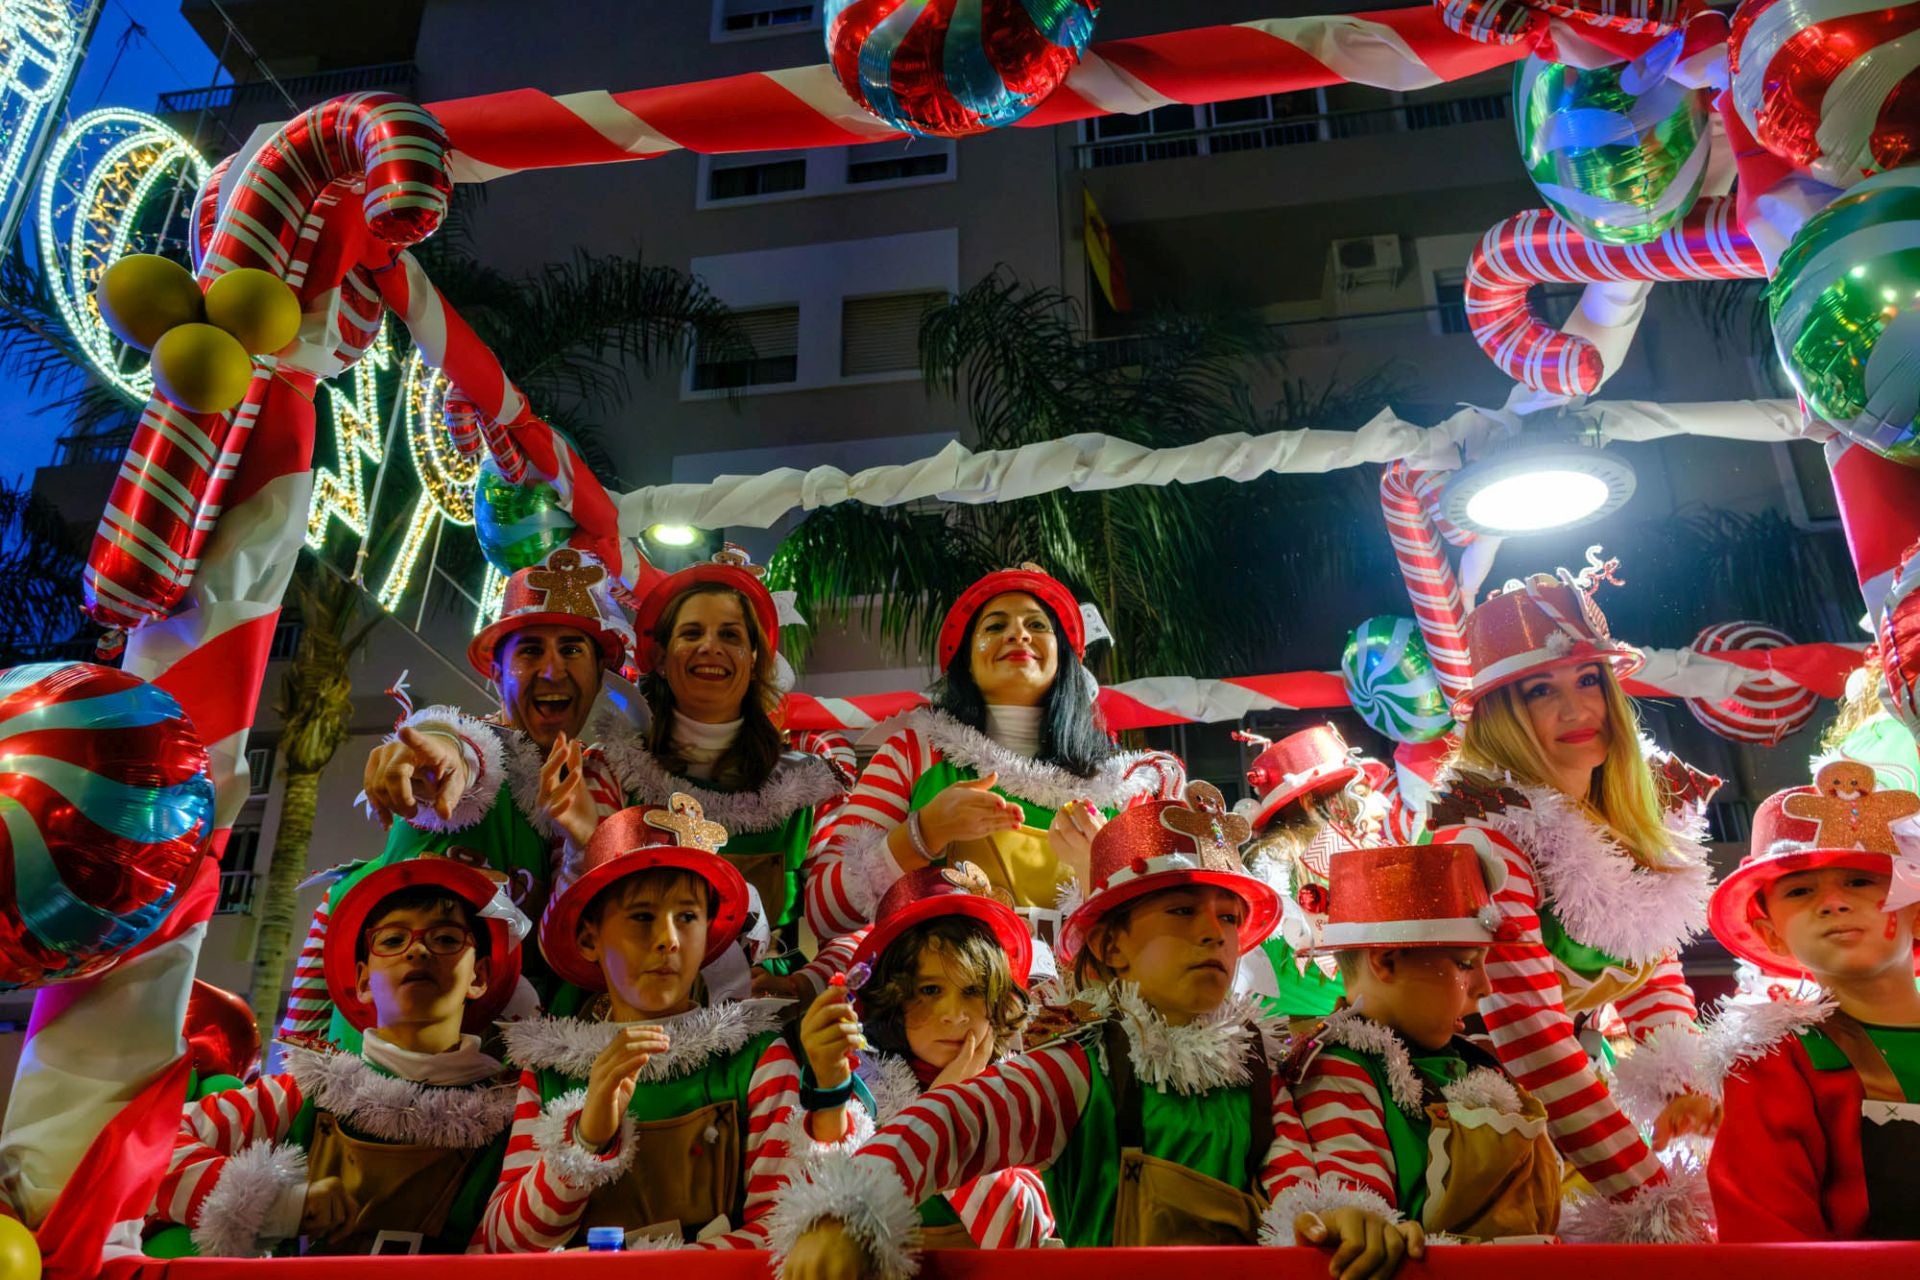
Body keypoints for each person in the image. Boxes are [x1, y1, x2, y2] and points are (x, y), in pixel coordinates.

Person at [772, 781, 1420, 1280]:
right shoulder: (1083, 1065)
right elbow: (953, 1123)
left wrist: (1342, 1218)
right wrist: (847, 1210)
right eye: (1181, 909)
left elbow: (1299, 1182)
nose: (1212, 932)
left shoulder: (1262, 1066)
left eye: (1229, 916)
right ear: (1111, 946)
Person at [1423, 558, 1719, 1241]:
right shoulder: (1484, 832)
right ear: (1498, 714)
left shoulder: (1633, 810)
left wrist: (1680, 1082)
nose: (1578, 709)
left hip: (1562, 1107)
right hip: (1463, 1126)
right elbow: (1528, 1040)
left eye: (1589, 680)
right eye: (1539, 692)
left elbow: (1649, 961)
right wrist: (1651, 1191)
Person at [280, 546, 635, 1047]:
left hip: (525, 1065)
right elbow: (461, 748)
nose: (553, 672)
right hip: (386, 1058)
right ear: (495, 674)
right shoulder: (478, 753)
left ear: (600, 675)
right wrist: (436, 756)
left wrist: (585, 841)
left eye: (573, 650)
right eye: (531, 650)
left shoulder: (606, 778)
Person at [477, 795, 856, 1251]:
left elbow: (785, 1229)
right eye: (642, 917)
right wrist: (584, 1139)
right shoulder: (549, 1072)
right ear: (588, 938)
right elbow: (503, 1245)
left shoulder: (756, 1058)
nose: (668, 940)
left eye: (687, 917)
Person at [151, 858, 526, 1256]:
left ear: (479, 976)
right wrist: (280, 1204)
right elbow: (149, 1147)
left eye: (447, 939)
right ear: (363, 980)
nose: (417, 950)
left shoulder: (513, 1113)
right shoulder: (298, 1097)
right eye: (393, 940)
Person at [806, 564, 1183, 957]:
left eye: (1037, 625)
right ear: (966, 660)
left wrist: (1101, 874)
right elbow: (823, 913)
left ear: (1065, 659)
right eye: (994, 626)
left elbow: (1163, 935)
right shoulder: (914, 752)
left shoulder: (1119, 787)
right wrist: (923, 833)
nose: (1018, 634)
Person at [538, 544, 848, 997]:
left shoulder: (810, 786)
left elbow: (847, 921)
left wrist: (802, 983)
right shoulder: (606, 772)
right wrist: (585, 841)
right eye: (691, 633)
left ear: (756, 659)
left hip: (769, 1033)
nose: (710, 647)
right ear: (660, 659)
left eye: (730, 635)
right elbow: (572, 924)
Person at [1291, 840, 1560, 1243]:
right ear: (1387, 962)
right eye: (1466, 965)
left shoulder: (1476, 1064)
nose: (1484, 987)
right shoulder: (1338, 1072)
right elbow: (1362, 1226)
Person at [1705, 765, 1920, 1240]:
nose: (1833, 903)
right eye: (1801, 891)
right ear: (1771, 935)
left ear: (1917, 912)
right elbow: (1765, 1241)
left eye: (1860, 882)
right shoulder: (1777, 1063)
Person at [797, 862, 1052, 1248]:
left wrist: (953, 1111)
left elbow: (1022, 1237)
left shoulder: (1018, 1091)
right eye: (930, 990)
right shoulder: (857, 1085)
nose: (954, 1015)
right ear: (891, 996)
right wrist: (831, 1087)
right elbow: (822, 1224)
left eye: (973, 991)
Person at [1235, 725, 1395, 1025]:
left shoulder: (1266, 860)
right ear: (1310, 801)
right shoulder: (1302, 864)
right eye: (1362, 792)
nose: (1381, 806)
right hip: (1341, 1033)